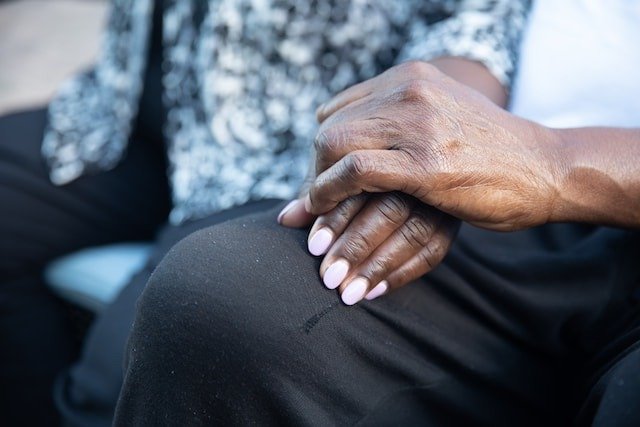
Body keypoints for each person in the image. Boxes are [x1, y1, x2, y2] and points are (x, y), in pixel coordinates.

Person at [0, 0, 530, 425]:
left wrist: (421, 139)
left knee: (129, 368)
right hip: (136, 105)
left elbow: (476, 23)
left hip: (307, 151)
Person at [113, 0, 640, 425]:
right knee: (219, 297)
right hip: (501, 203)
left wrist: (552, 163)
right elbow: (478, 21)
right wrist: (434, 136)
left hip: (577, 184)